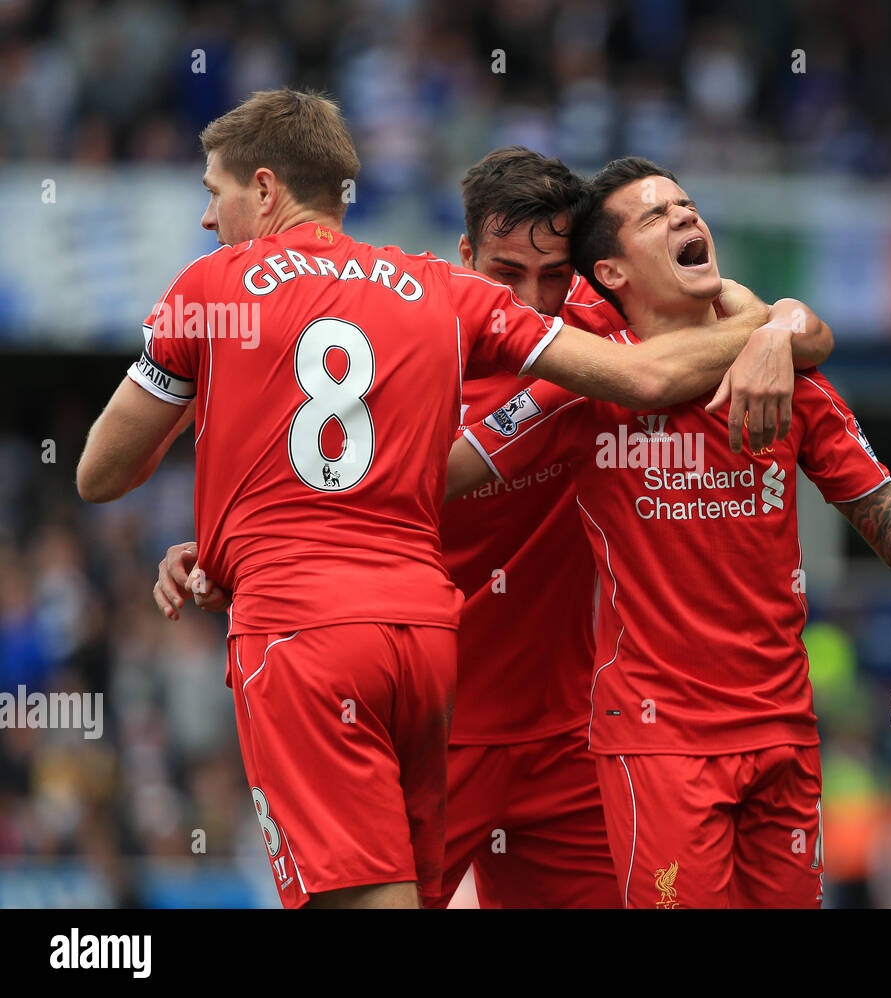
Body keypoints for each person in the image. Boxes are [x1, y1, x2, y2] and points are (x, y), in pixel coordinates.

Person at [75, 91, 804, 909]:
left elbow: (102, 472)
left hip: (449, 691)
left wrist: (778, 329)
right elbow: (648, 377)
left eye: (216, 192)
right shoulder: (443, 302)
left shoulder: (216, 289)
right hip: (431, 664)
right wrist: (221, 547)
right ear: (468, 256)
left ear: (268, 188)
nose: (210, 217)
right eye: (510, 273)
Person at [445, 157, 891, 907]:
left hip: (783, 734)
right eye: (656, 217)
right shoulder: (584, 377)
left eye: (687, 206)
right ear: (612, 273)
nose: (684, 219)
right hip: (652, 743)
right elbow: (445, 473)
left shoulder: (794, 378)